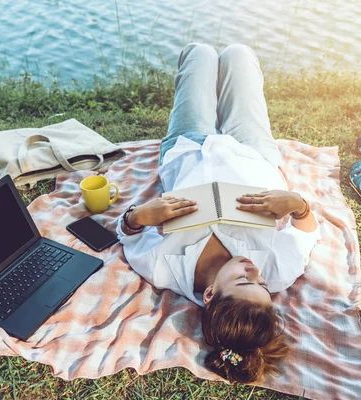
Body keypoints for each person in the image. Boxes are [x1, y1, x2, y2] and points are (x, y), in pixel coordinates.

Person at [116, 43, 320, 384]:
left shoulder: (162, 268)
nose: (255, 271)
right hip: (253, 153)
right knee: (240, 54)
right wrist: (298, 205)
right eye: (262, 285)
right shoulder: (278, 271)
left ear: (209, 295)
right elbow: (306, 232)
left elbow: (127, 233)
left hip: (188, 148)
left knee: (199, 53)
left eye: (244, 280)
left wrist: (139, 215)